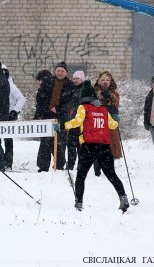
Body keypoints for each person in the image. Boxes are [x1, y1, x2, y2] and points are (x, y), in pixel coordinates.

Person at [63, 80, 129, 212]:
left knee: (81, 176)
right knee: (111, 174)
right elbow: (113, 125)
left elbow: (77, 121)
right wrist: (116, 119)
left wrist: (63, 125)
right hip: (104, 147)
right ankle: (123, 197)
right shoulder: (104, 109)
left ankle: (79, 202)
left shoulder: (83, 108)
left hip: (88, 146)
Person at [34, 61, 75, 172]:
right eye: (58, 70)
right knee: (45, 141)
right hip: (47, 117)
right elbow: (40, 98)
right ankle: (43, 166)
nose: (60, 73)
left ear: (66, 73)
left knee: (60, 141)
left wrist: (59, 110)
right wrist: (46, 108)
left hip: (61, 119)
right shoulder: (47, 81)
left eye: (62, 71)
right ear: (55, 71)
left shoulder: (70, 85)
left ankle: (59, 166)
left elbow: (71, 103)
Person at [93, 71, 122, 176]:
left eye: (107, 80)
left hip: (110, 122)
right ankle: (97, 169)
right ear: (99, 81)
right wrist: (99, 99)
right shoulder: (94, 92)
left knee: (110, 146)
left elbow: (116, 104)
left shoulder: (114, 93)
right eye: (103, 80)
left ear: (111, 82)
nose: (105, 82)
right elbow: (91, 105)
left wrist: (109, 96)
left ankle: (109, 169)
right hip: (98, 121)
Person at [2, 64, 26, 169]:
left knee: (8, 140)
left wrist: (14, 111)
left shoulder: (11, 85)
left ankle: (8, 161)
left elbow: (21, 99)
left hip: (7, 116)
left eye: (4, 72)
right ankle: (1, 160)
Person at [66, 70, 85, 170]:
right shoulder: (73, 90)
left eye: (77, 78)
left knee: (80, 144)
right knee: (71, 144)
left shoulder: (84, 90)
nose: (75, 80)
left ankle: (80, 165)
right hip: (73, 120)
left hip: (81, 121)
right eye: (74, 78)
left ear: (82, 79)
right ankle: (70, 164)